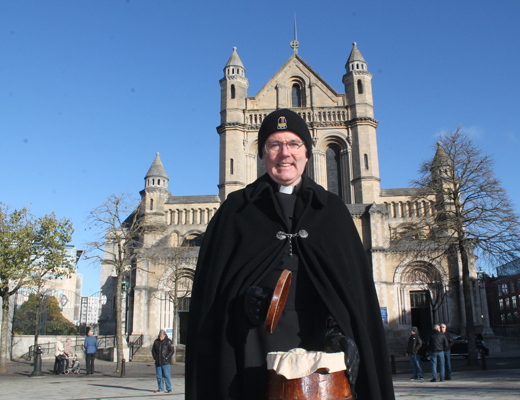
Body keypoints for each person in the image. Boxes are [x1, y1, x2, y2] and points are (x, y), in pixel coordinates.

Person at [185, 109, 394, 400]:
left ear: (307, 154)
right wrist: (240, 305)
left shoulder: (332, 212)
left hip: (321, 357)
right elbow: (212, 300)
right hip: (253, 353)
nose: (285, 153)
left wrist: (339, 330)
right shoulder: (236, 211)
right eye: (274, 145)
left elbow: (353, 298)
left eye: (294, 144)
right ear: (262, 155)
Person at [152, 329, 174, 394]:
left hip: (165, 362)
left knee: (166, 375)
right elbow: (153, 350)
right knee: (159, 376)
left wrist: (167, 357)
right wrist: (155, 357)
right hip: (158, 361)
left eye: (162, 337)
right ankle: (160, 388)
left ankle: (169, 388)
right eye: (159, 337)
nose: (160, 338)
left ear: (164, 336)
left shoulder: (168, 341)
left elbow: (172, 350)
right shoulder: (156, 342)